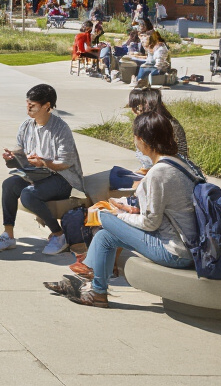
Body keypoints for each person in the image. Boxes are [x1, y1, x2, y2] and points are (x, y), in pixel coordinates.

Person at [44, 110, 196, 307]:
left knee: (101, 215)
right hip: (184, 244)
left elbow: (150, 223)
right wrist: (130, 210)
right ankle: (96, 292)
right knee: (105, 236)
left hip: (174, 251)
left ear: (141, 139)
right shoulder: (180, 164)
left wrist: (117, 215)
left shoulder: (159, 173)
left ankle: (86, 276)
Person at [0, 84, 84, 255]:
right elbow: (21, 151)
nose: (28, 108)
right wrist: (13, 157)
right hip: (36, 175)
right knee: (9, 185)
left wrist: (43, 162)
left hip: (62, 178)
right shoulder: (26, 126)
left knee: (28, 194)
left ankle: (58, 234)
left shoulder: (60, 128)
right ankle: (8, 234)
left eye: (32, 105)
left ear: (47, 106)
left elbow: (66, 162)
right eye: (27, 103)